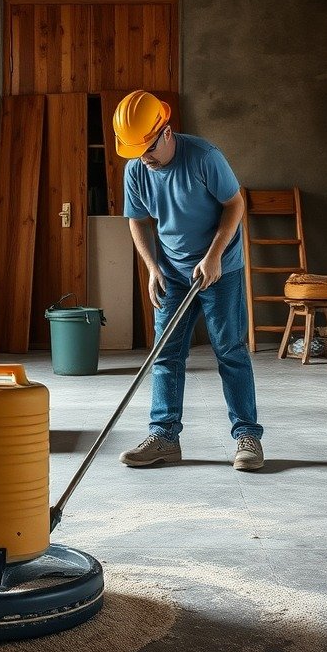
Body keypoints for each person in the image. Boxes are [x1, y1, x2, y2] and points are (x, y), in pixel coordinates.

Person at [113, 90, 264, 472]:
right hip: (174, 274)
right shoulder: (136, 169)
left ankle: (247, 436)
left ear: (166, 132)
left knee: (230, 350)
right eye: (136, 151)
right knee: (165, 353)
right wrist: (152, 267)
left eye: (148, 147)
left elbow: (235, 204)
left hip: (220, 268)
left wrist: (213, 256)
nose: (143, 157)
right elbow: (138, 220)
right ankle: (164, 437)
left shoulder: (204, 157)